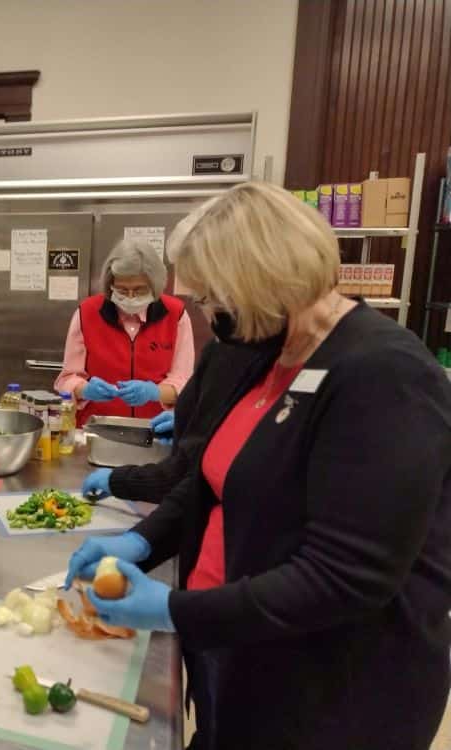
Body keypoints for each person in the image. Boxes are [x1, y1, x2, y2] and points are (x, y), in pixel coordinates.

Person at [67, 182, 451, 750]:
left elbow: (344, 576)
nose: (205, 313)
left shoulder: (384, 374)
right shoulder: (267, 356)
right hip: (239, 648)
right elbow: (211, 481)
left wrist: (174, 609)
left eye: (210, 299)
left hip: (331, 693)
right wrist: (143, 542)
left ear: (259, 282)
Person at [81, 339, 268, 505]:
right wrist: (82, 389)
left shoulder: (242, 356)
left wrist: (156, 392)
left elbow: (184, 475)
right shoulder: (220, 348)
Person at [55, 238, 193, 426]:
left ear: (154, 285)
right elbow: (67, 378)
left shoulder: (175, 315)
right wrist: (84, 389)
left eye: (139, 290)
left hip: (155, 429)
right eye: (121, 289)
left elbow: (184, 380)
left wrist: (155, 392)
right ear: (110, 284)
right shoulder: (87, 313)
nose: (130, 297)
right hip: (96, 427)